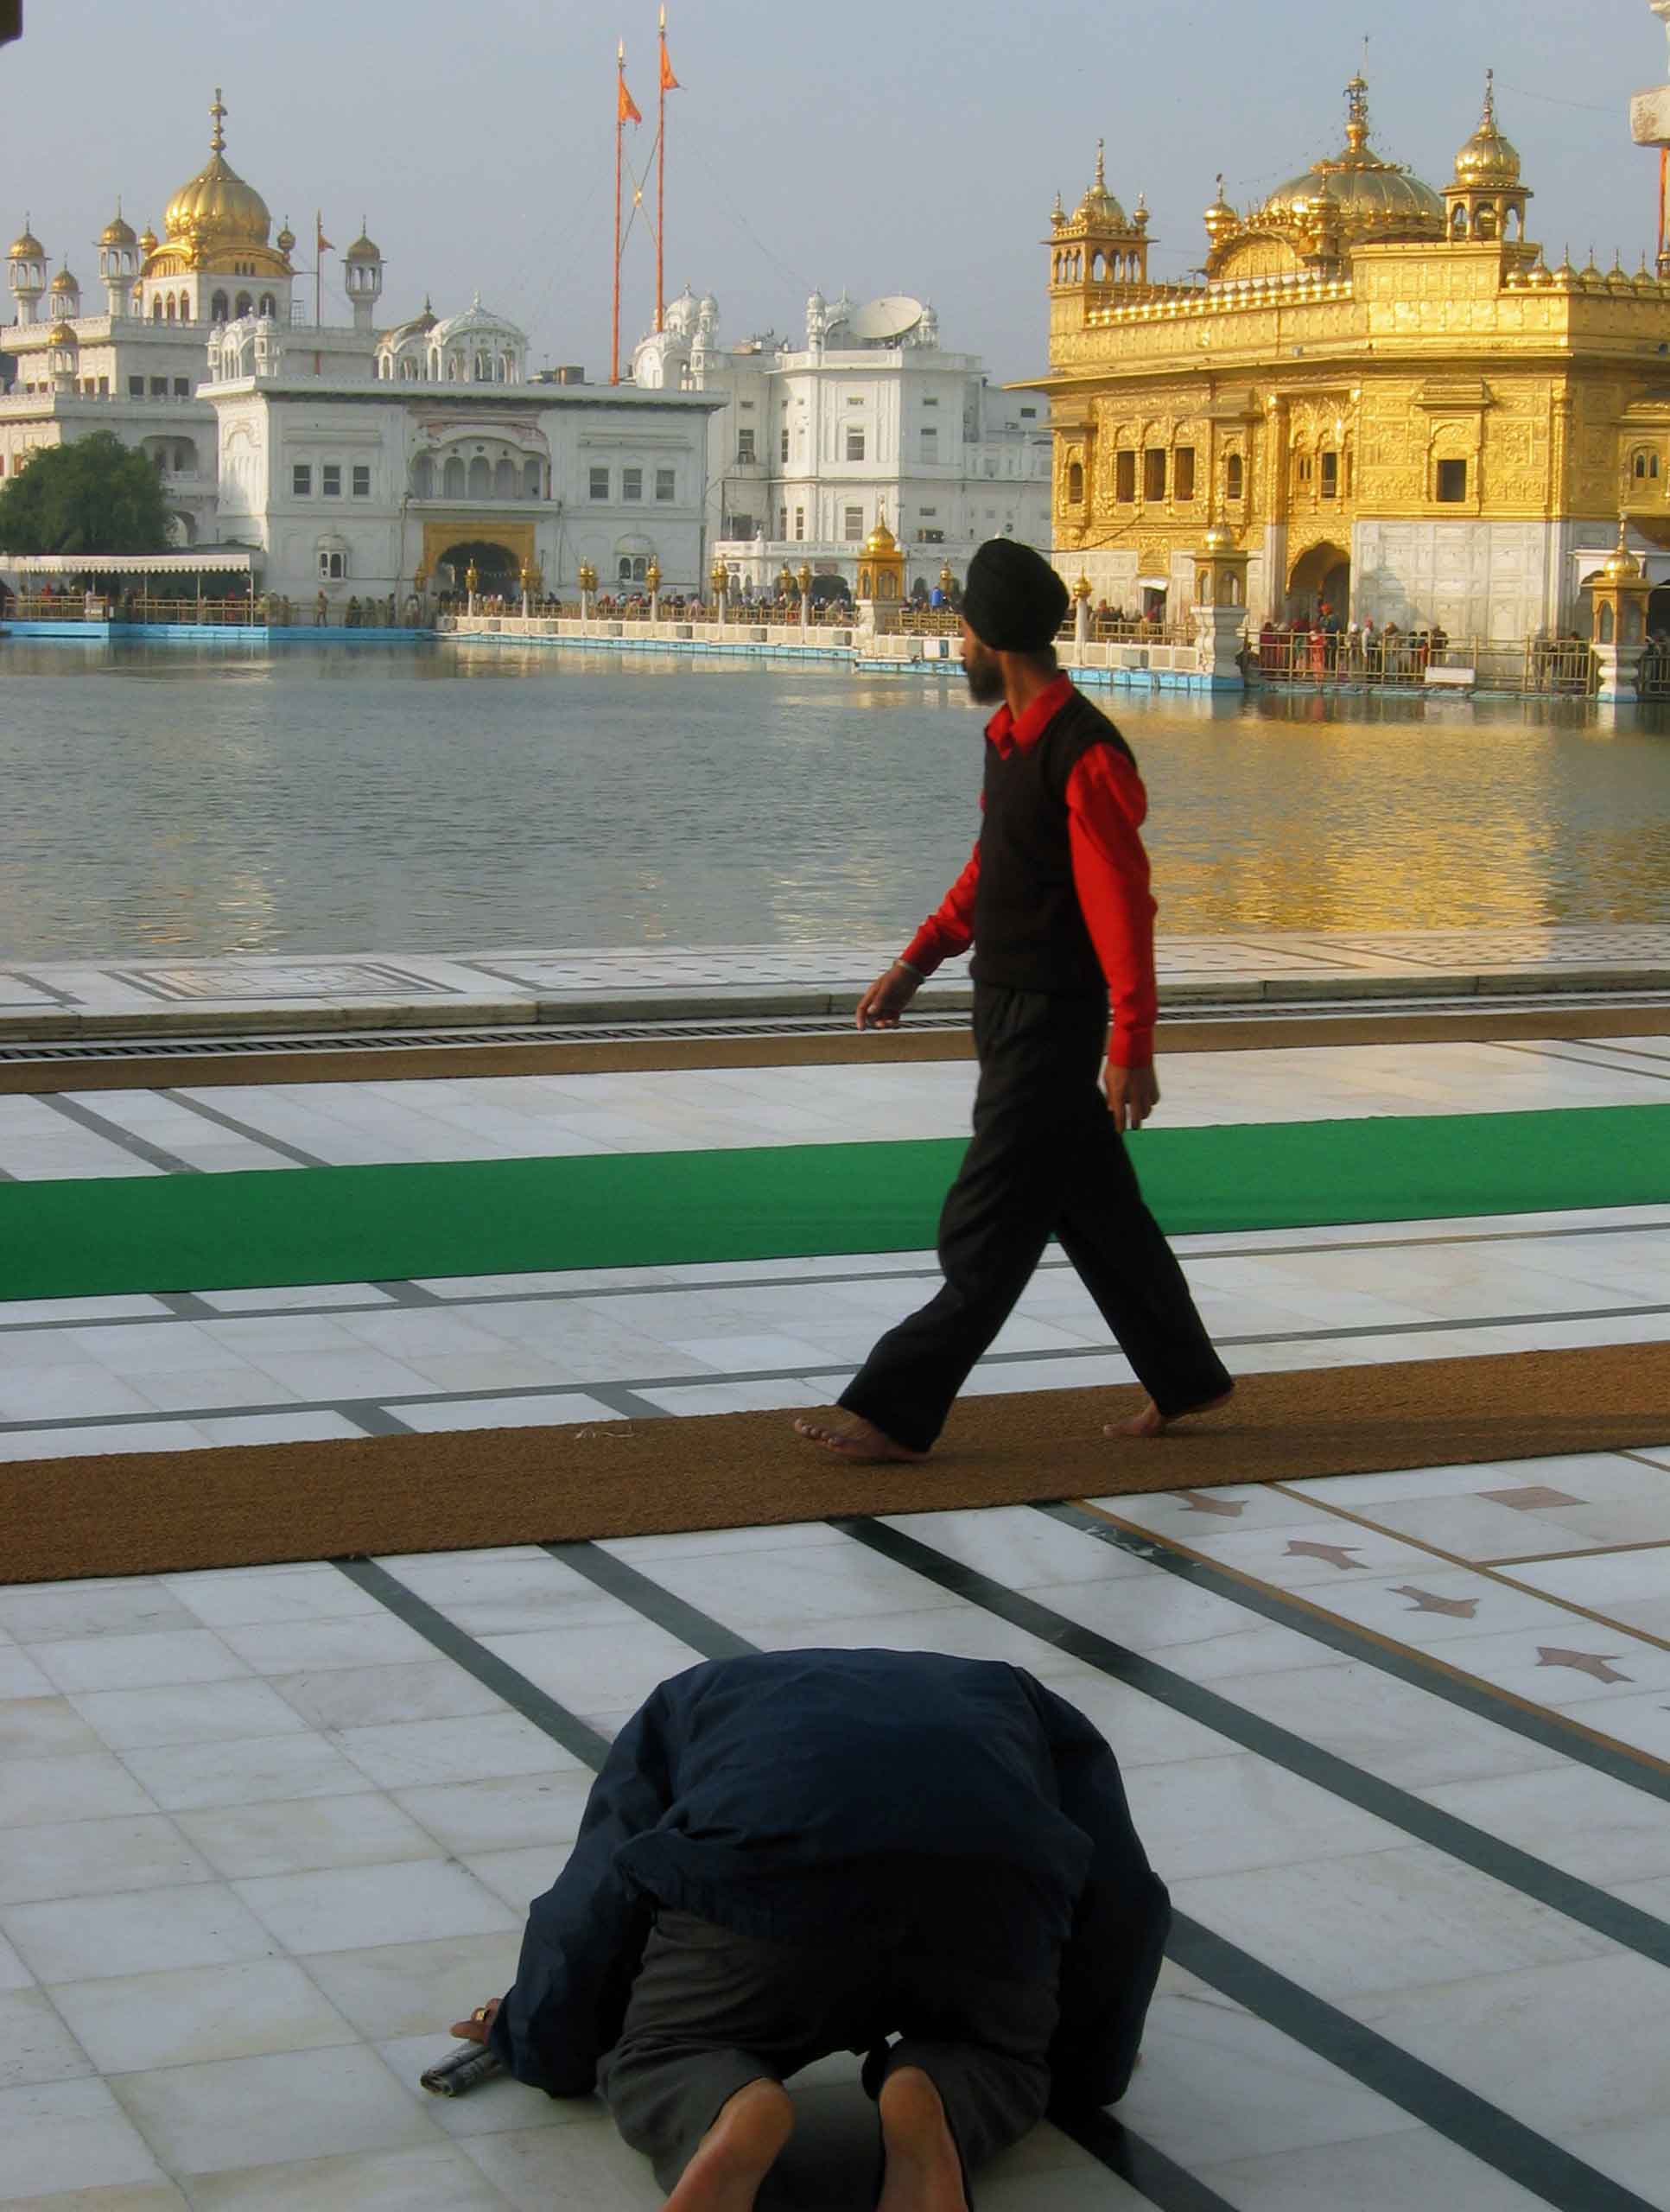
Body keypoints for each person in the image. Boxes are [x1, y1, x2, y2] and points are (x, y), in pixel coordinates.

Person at [793, 537, 1231, 1465]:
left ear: (991, 637)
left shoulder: (1084, 754)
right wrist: (918, 961)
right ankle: (1186, 1378)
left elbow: (1123, 903)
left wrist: (1132, 1041)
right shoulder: (1010, 741)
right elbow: (997, 871)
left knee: (984, 1220)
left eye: (959, 630)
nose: (955, 647)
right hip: (1003, 1009)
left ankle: (894, 1405)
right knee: (1097, 1211)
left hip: (1049, 1021)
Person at [450, 1649, 1171, 2212]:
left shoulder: (688, 1697)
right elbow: (1122, 1897)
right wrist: (1083, 2068)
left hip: (764, 1907)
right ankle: (937, 2099)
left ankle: (728, 2107)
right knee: (998, 2056)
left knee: (667, 2051)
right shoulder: (1017, 1696)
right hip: (985, 1913)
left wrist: (534, 2037)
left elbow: (596, 1897)